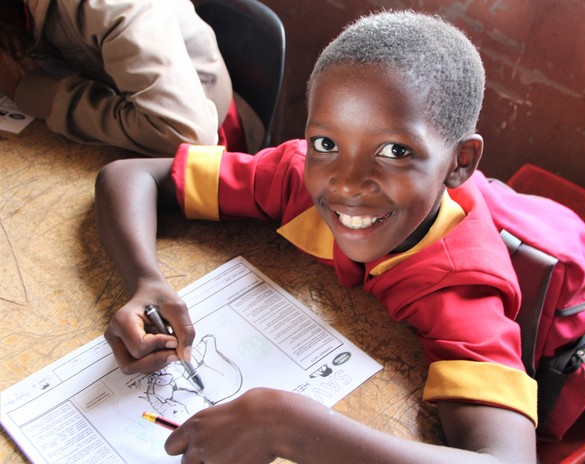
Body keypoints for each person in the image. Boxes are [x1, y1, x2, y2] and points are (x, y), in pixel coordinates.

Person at [95, 10, 538, 463]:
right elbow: (129, 177)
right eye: (327, 143)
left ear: (460, 161)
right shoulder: (296, 179)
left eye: (395, 151)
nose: (346, 183)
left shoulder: (460, 284)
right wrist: (145, 281)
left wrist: (288, 426)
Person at [0, 0, 245, 156]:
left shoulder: (110, 5)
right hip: (128, 114)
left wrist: (30, 89)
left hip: (196, 141)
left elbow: (188, 136)